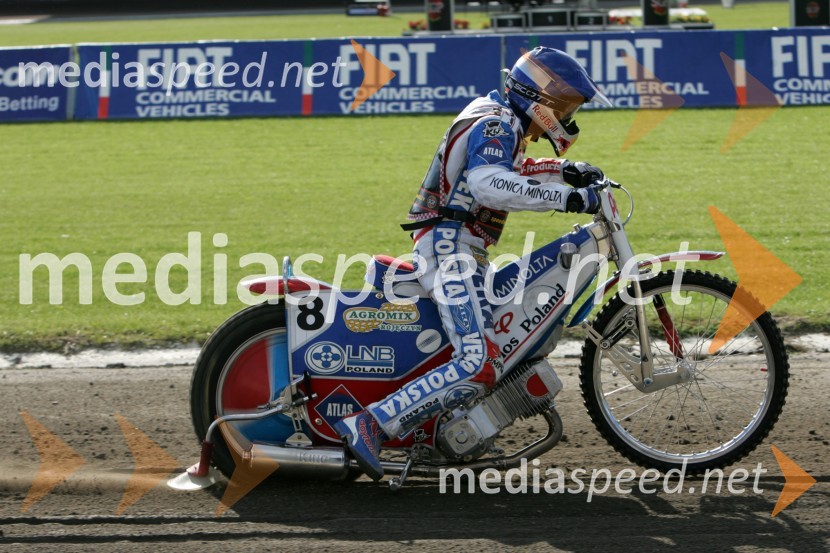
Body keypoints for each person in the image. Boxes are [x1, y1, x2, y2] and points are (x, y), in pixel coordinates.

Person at [334, 47, 613, 480]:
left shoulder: (501, 120)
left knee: (497, 346)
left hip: (460, 248)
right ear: (541, 100)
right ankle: (370, 423)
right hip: (449, 248)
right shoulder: (497, 122)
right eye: (566, 107)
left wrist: (565, 170)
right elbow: (489, 184)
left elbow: (512, 168)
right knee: (478, 361)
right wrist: (566, 197)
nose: (570, 117)